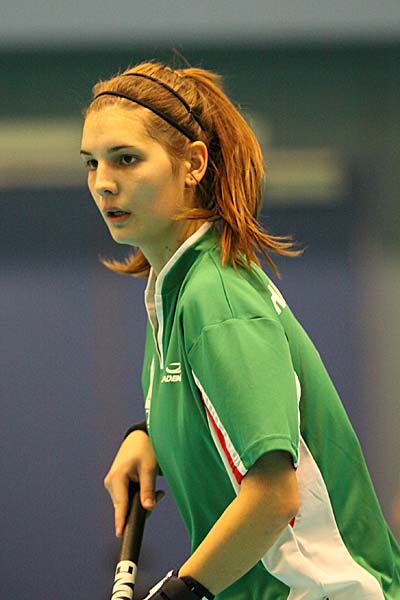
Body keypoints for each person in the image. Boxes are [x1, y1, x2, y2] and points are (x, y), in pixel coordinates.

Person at [80, 61, 400, 600]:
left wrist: (179, 593)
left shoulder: (217, 297)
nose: (103, 183)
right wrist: (149, 434)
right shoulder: (176, 288)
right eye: (92, 163)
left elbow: (275, 496)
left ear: (193, 164)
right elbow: (222, 411)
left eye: (126, 159)